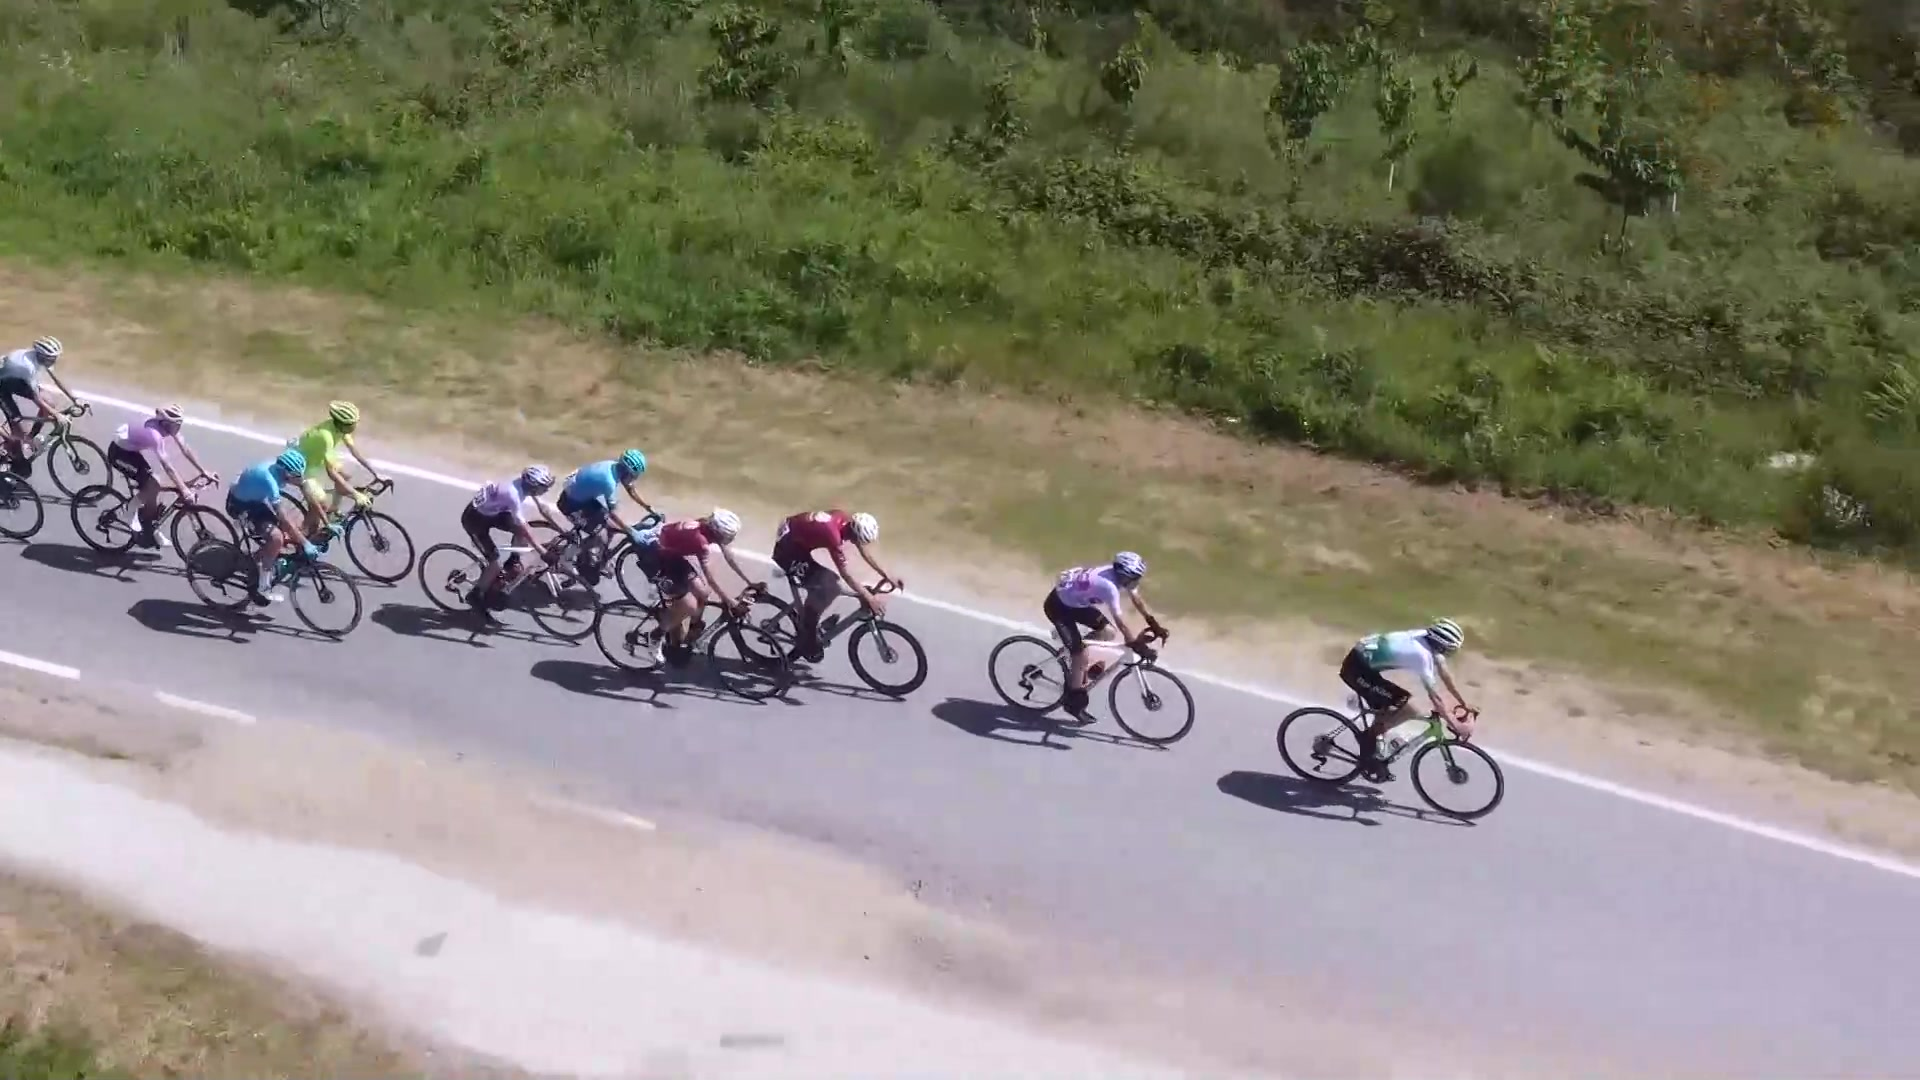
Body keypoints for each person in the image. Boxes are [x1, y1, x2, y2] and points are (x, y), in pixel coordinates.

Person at [1338, 619, 1478, 781]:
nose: (1450, 653)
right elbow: (1435, 697)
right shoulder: (1421, 656)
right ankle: (1368, 738)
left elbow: (1444, 673)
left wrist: (1462, 702)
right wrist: (1455, 724)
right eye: (1450, 649)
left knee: (1393, 703)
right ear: (1441, 645)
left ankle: (1376, 743)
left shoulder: (1424, 636)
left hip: (1362, 662)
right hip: (1356, 671)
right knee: (1409, 708)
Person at [1045, 552, 1165, 723]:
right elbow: (1121, 623)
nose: (1136, 582)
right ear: (1123, 575)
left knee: (1108, 632)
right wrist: (1136, 645)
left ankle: (1074, 656)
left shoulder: (1121, 577)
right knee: (1080, 656)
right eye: (1134, 578)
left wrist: (1153, 623)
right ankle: (1073, 704)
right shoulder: (1108, 587)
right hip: (1058, 607)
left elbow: (1137, 599)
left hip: (1076, 603)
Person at [770, 510, 901, 662]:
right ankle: (808, 633)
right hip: (787, 550)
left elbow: (864, 551)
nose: (857, 543)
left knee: (829, 583)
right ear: (854, 533)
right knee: (827, 587)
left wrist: (886, 575)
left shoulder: (845, 521)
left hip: (794, 537)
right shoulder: (833, 536)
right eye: (857, 540)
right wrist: (869, 597)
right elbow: (846, 574)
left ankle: (811, 619)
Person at [631, 508, 756, 666]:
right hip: (655, 557)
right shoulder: (701, 542)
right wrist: (729, 601)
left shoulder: (706, 525)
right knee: (689, 606)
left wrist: (749, 582)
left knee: (704, 592)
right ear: (718, 533)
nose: (731, 539)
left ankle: (692, 631)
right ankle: (655, 636)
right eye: (729, 536)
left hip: (672, 554)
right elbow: (710, 578)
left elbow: (729, 557)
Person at [461, 464, 569, 622]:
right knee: (496, 563)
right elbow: (525, 528)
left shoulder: (524, 485)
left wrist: (562, 529)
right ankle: (475, 595)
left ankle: (513, 560)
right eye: (543, 487)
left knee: (520, 532)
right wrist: (543, 552)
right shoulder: (513, 494)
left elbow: (543, 509)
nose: (546, 490)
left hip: (493, 512)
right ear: (533, 486)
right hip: (475, 520)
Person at [106, 404, 220, 549]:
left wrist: (203, 471)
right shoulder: (155, 436)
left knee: (155, 488)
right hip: (119, 452)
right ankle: (130, 509)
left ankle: (150, 527)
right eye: (177, 424)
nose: (179, 427)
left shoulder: (168, 426)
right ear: (167, 423)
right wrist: (184, 490)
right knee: (154, 484)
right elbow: (168, 467)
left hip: (131, 448)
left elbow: (185, 448)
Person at [226, 449, 319, 603]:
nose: (299, 479)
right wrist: (305, 543)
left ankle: (258, 558)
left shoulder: (277, 468)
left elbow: (302, 489)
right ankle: (263, 587)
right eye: (296, 476)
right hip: (240, 506)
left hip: (255, 500)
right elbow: (284, 518)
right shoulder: (270, 481)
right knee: (277, 538)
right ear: (285, 473)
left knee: (285, 532)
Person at [555, 450, 655, 584]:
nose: (634, 479)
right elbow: (613, 514)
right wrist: (631, 532)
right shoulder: (609, 482)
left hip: (582, 497)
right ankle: (567, 558)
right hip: (570, 505)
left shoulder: (614, 466)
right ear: (626, 472)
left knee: (611, 528)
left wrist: (648, 507)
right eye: (634, 476)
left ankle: (599, 556)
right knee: (599, 536)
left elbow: (630, 488)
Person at [291, 401, 385, 539]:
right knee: (320, 504)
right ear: (342, 423)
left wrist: (376, 474)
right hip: (303, 466)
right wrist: (356, 495)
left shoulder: (340, 429)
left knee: (344, 476)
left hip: (317, 457)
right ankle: (302, 535)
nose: (355, 426)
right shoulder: (325, 437)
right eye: (352, 424)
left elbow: (355, 452)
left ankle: (333, 511)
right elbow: (332, 473)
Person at [0, 336, 79, 475]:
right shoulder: (27, 367)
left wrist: (75, 399)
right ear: (41, 356)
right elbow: (36, 398)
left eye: (55, 357)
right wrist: (56, 414)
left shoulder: (42, 359)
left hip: (14, 380)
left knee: (50, 402)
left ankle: (30, 438)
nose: (54, 360)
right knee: (20, 429)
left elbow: (57, 379)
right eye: (52, 358)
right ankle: (14, 454)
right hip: (2, 386)